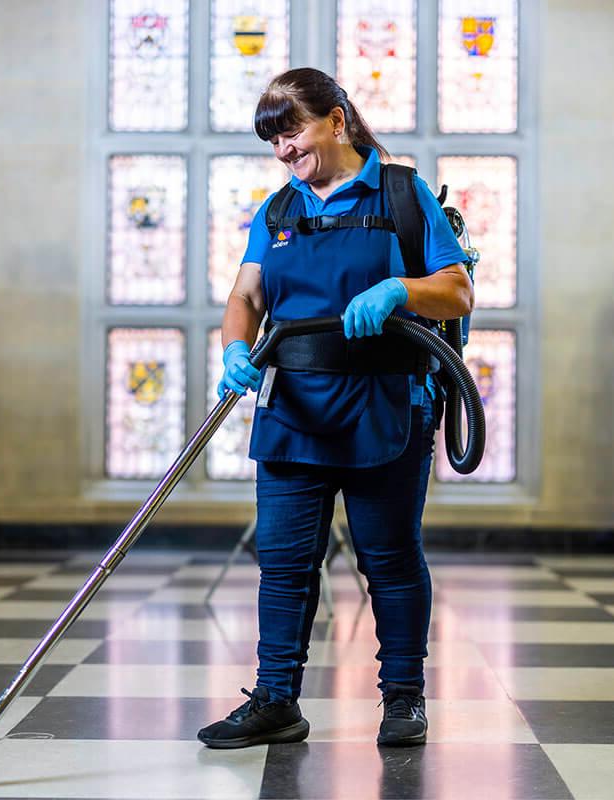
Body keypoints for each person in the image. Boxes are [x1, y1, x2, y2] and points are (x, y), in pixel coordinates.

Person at [197, 68, 473, 749]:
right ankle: (275, 699)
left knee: (389, 558)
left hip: (385, 404)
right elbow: (246, 298)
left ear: (337, 121)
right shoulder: (279, 211)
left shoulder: (403, 194)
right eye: (273, 142)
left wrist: (401, 292)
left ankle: (403, 697)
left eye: (291, 133)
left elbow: (458, 291)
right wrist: (236, 349)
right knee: (285, 562)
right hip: (291, 407)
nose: (284, 152)